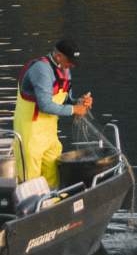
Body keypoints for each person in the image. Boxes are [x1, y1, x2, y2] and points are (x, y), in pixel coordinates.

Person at [12, 39, 92, 188]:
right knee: (30, 182)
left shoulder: (66, 71)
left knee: (52, 176)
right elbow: (45, 105)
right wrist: (74, 110)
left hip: (50, 135)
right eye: (70, 61)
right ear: (58, 56)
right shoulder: (41, 69)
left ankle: (53, 205)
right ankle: (30, 208)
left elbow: (66, 100)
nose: (72, 66)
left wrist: (79, 102)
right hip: (30, 134)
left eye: (74, 62)